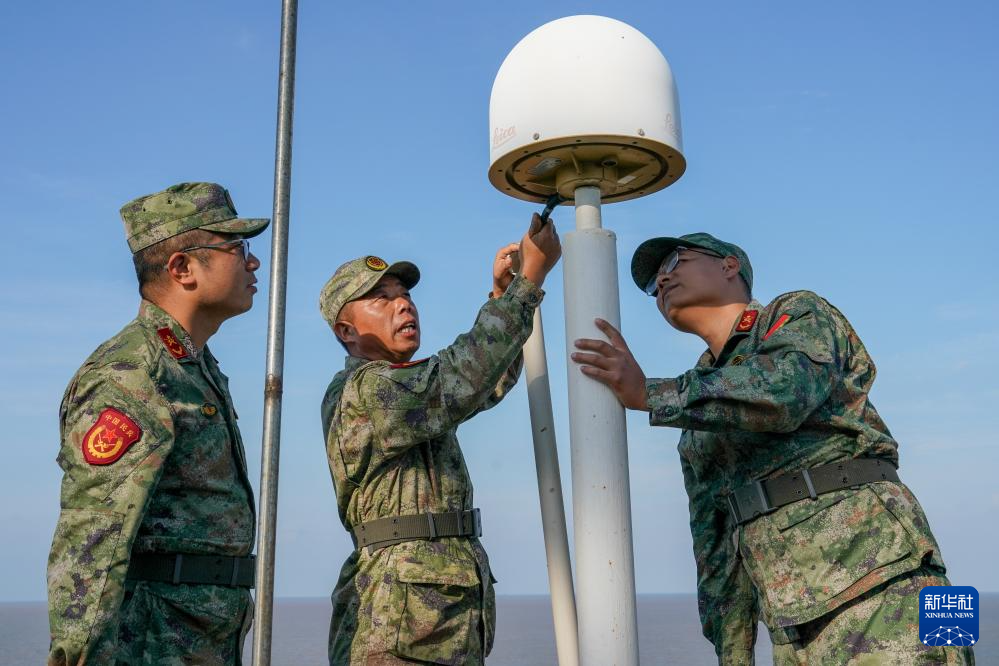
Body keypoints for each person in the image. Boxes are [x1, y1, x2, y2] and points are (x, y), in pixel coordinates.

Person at [571, 232, 973, 665]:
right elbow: (715, 550)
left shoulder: (796, 313)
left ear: (729, 265)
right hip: (795, 624)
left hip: (891, 579)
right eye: (653, 285)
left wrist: (651, 393)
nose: (662, 281)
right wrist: (733, 657)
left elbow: (786, 392)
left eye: (673, 261)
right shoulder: (698, 419)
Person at [318, 213, 561, 665]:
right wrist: (528, 281)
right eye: (381, 298)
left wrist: (504, 295)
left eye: (406, 295)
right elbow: (463, 376)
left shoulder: (406, 389)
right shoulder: (367, 389)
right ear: (346, 331)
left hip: (433, 613)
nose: (404, 306)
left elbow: (486, 379)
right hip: (399, 615)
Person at [47, 182, 269, 665]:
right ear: (182, 268)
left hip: (199, 639)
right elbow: (93, 537)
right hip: (154, 643)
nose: (253, 263)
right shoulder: (132, 374)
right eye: (236, 248)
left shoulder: (193, 367)